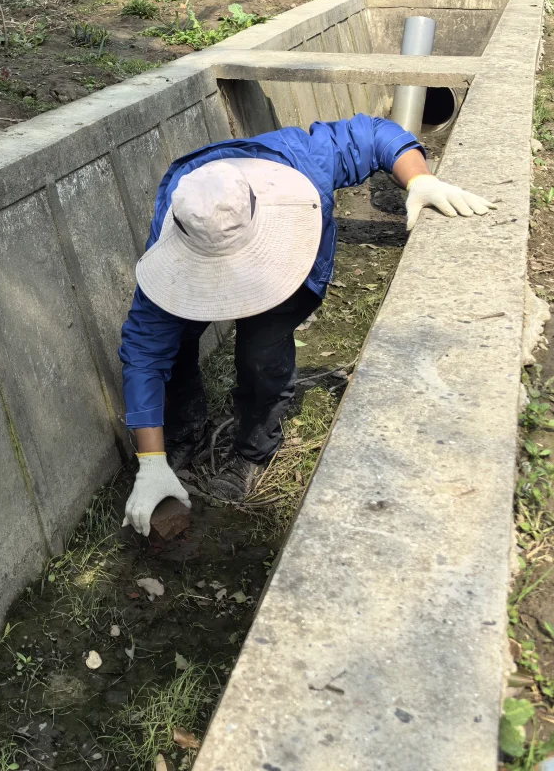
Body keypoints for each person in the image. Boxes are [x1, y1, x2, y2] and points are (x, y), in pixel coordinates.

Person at [118, 114, 494, 535]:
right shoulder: (185, 210)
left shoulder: (300, 162)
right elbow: (144, 353)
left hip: (285, 271)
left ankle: (253, 451)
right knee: (176, 337)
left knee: (262, 352)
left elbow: (373, 136)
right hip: (195, 262)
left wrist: (420, 179)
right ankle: (183, 433)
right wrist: (149, 462)